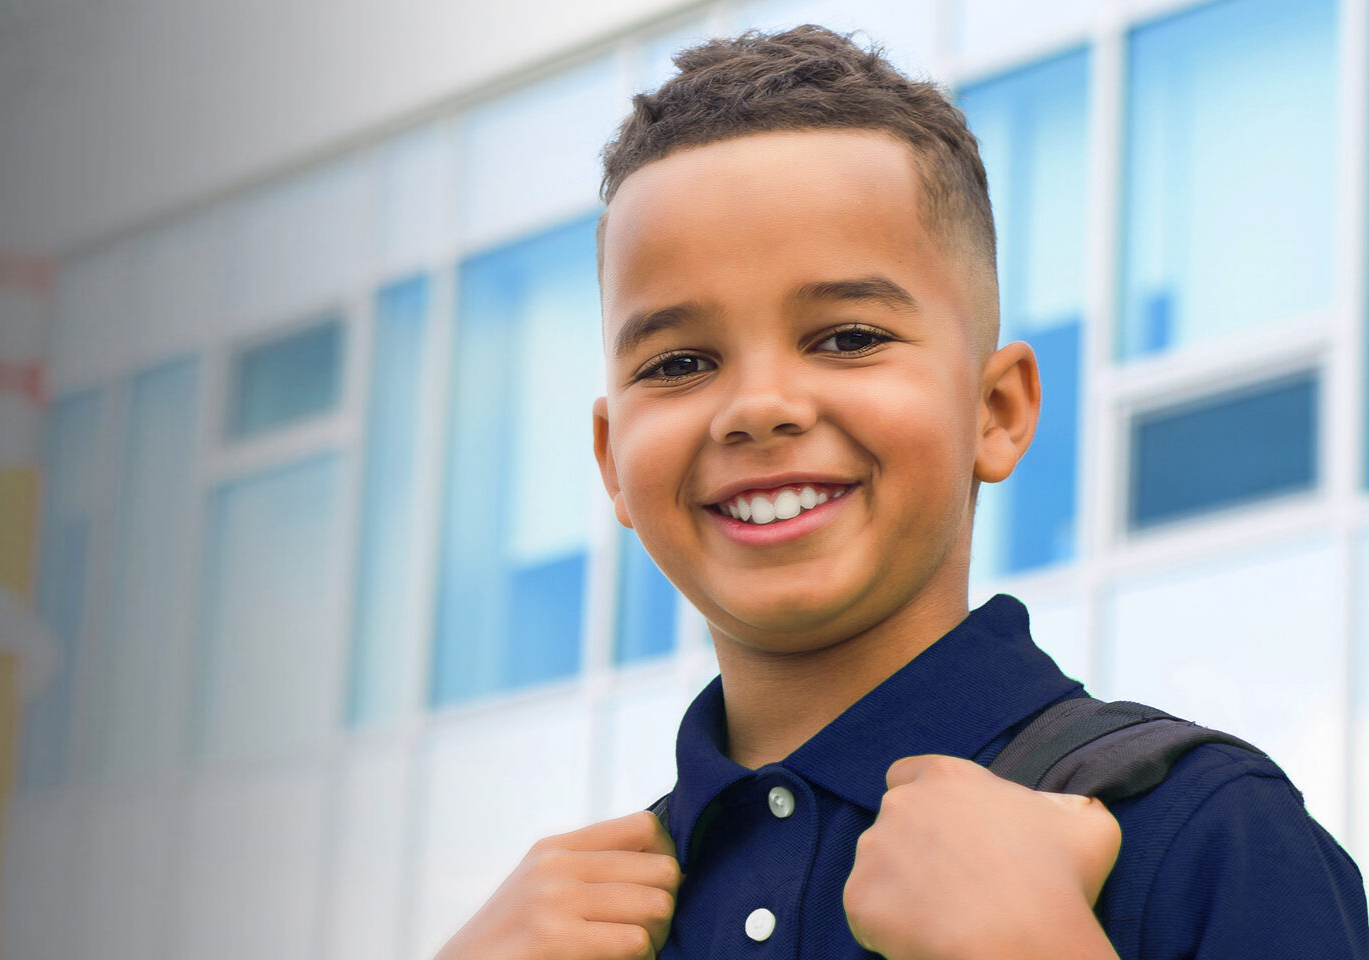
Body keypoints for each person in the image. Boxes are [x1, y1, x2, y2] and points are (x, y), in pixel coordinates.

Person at [434, 24, 1369, 960]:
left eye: (847, 337)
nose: (757, 409)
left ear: (995, 409)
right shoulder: (571, 930)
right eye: (680, 362)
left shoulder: (1201, 833)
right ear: (611, 461)